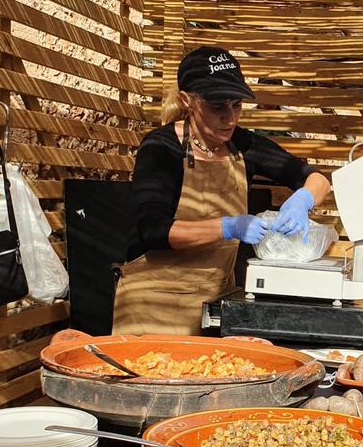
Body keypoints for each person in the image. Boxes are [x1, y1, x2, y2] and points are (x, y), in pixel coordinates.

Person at [121, 46, 331, 335]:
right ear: (187, 101)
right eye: (217, 106)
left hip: (214, 302)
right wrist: (228, 227)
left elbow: (315, 178)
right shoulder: (161, 148)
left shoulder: (245, 145)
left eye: (236, 105)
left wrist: (303, 198)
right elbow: (153, 230)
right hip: (153, 303)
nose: (230, 118)